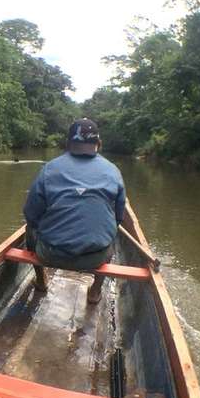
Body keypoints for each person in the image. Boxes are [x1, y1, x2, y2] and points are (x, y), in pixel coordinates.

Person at [23, 118, 126, 304]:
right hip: (96, 258)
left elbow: (31, 215)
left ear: (68, 143)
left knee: (28, 229)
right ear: (99, 144)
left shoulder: (49, 169)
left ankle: (40, 281)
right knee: (112, 235)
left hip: (50, 253)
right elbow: (119, 218)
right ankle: (95, 292)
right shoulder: (113, 171)